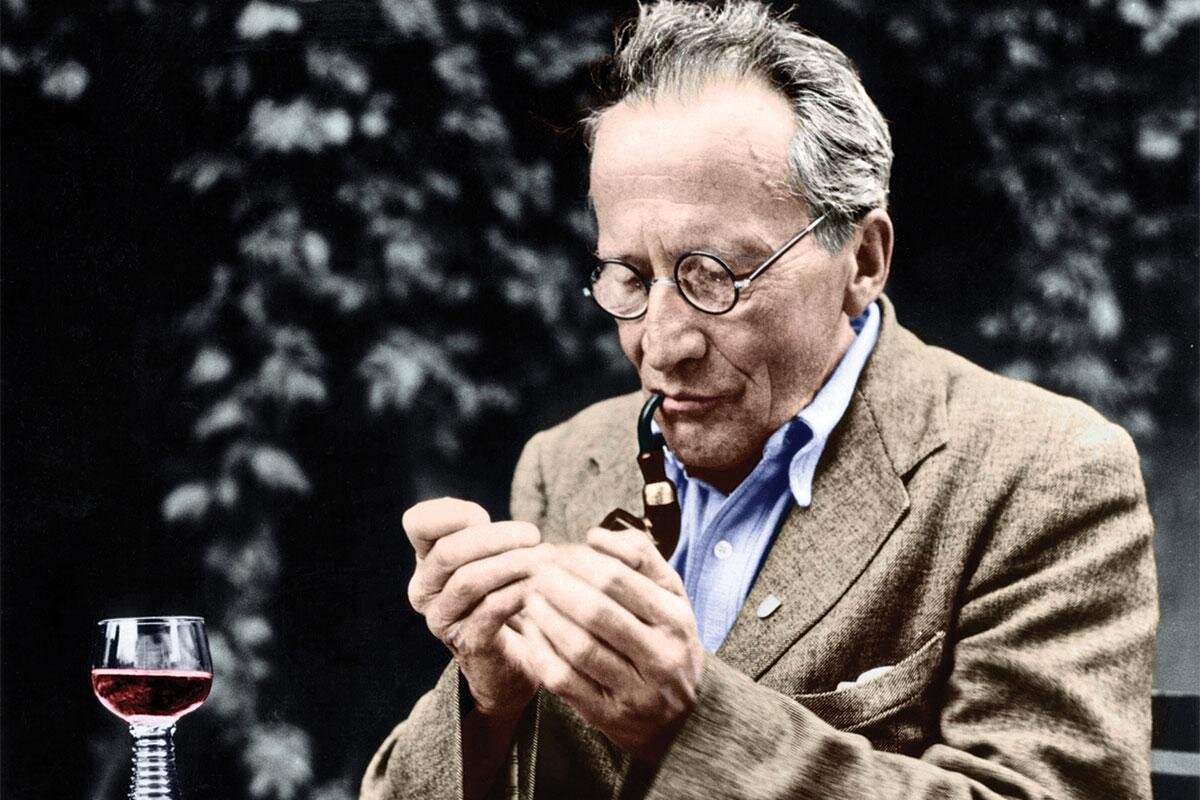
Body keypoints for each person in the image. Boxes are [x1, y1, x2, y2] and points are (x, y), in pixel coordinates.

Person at [361, 2, 1158, 798]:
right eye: (629, 278)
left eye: (715, 276)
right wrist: (488, 704)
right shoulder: (565, 463)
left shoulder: (1040, 474)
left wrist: (694, 727)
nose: (659, 343)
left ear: (863, 260)